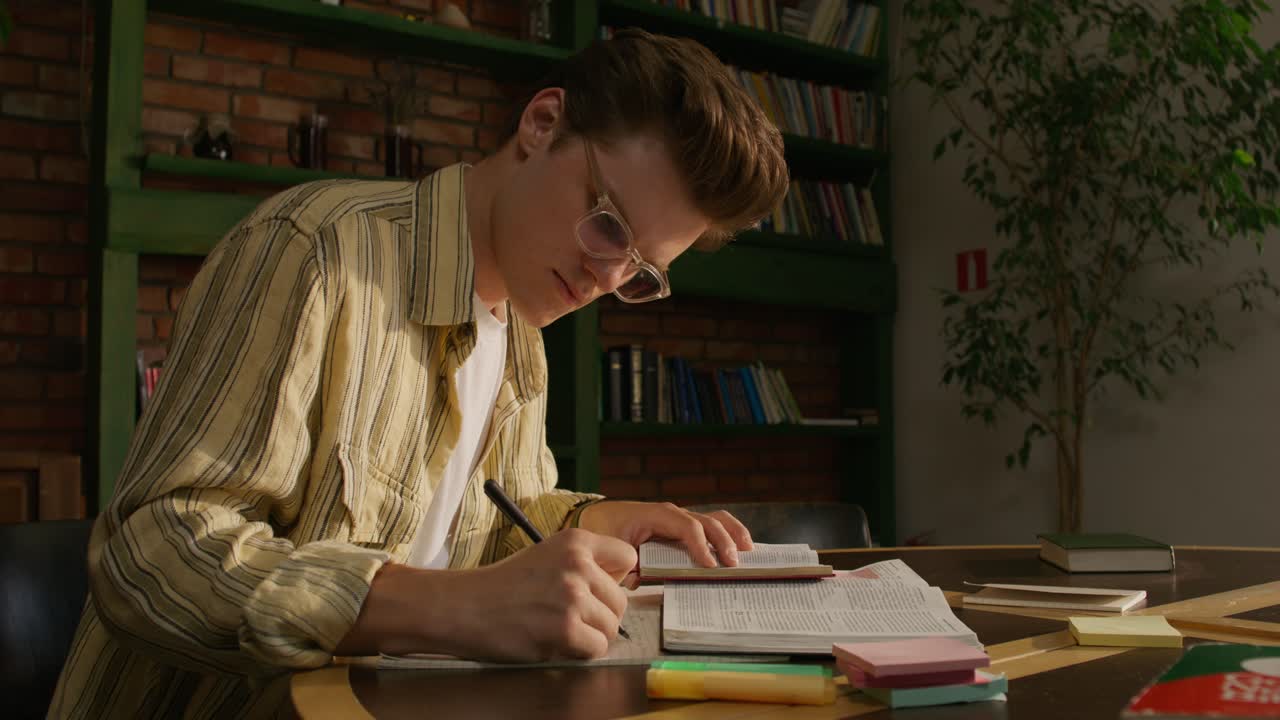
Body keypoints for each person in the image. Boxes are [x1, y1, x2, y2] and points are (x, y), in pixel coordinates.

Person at [50, 28, 789, 718]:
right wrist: (448, 608)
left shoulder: (522, 331)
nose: (605, 276)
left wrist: (592, 520)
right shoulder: (315, 252)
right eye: (609, 226)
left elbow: (485, 524)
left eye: (640, 269)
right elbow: (149, 556)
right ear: (541, 124)